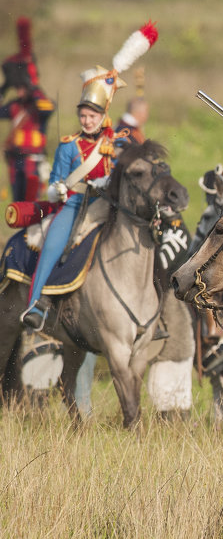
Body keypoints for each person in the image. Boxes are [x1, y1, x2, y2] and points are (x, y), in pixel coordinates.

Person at [22, 22, 158, 329]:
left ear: (104, 115)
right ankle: (38, 304)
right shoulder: (69, 146)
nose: (86, 120)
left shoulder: (119, 140)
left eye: (92, 115)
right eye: (83, 115)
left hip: (108, 204)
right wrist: (58, 191)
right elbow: (55, 181)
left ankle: (156, 310)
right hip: (73, 205)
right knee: (55, 244)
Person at [2, 17, 55, 202]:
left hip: (34, 161)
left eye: (20, 86)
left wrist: (33, 85)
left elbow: (48, 108)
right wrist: (4, 87)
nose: (19, 90)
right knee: (17, 204)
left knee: (32, 205)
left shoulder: (40, 105)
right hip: (15, 161)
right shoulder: (15, 106)